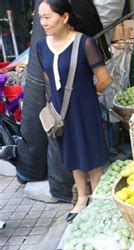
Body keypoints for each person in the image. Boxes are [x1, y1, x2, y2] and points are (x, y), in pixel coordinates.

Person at [36, 0, 112, 221]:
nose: (43, 22)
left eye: (47, 17)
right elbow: (48, 77)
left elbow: (105, 79)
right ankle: (81, 198)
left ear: (65, 17)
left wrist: (89, 94)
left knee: (93, 155)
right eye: (41, 18)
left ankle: (96, 199)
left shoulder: (84, 43)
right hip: (61, 111)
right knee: (70, 153)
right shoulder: (42, 46)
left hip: (85, 109)